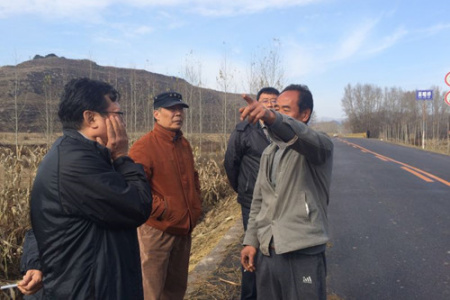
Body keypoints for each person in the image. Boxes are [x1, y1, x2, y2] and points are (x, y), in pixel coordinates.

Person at [24, 77, 153, 299]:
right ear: (91, 118)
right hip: (88, 290)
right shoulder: (76, 164)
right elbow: (138, 205)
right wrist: (122, 156)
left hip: (97, 283)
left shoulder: (85, 155)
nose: (122, 123)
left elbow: (47, 222)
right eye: (117, 114)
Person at [240, 84, 334, 300]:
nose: (277, 113)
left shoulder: (319, 146)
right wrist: (251, 241)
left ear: (304, 114)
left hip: (302, 252)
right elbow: (259, 201)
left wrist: (273, 118)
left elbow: (301, 135)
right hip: (268, 253)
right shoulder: (269, 151)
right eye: (276, 109)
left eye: (285, 109)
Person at [129, 92, 202, 300]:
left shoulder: (183, 144)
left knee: (176, 290)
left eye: (180, 109)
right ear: (156, 114)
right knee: (151, 291)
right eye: (171, 109)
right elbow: (136, 189)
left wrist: (196, 205)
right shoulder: (143, 147)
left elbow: (193, 177)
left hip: (183, 228)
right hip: (157, 231)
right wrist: (164, 211)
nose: (178, 113)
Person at [224, 87, 279, 300]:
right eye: (266, 100)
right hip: (252, 202)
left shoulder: (283, 130)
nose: (271, 105)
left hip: (280, 202)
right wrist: (245, 189)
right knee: (252, 247)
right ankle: (249, 296)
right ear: (257, 103)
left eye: (275, 101)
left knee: (275, 249)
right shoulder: (243, 130)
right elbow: (231, 164)